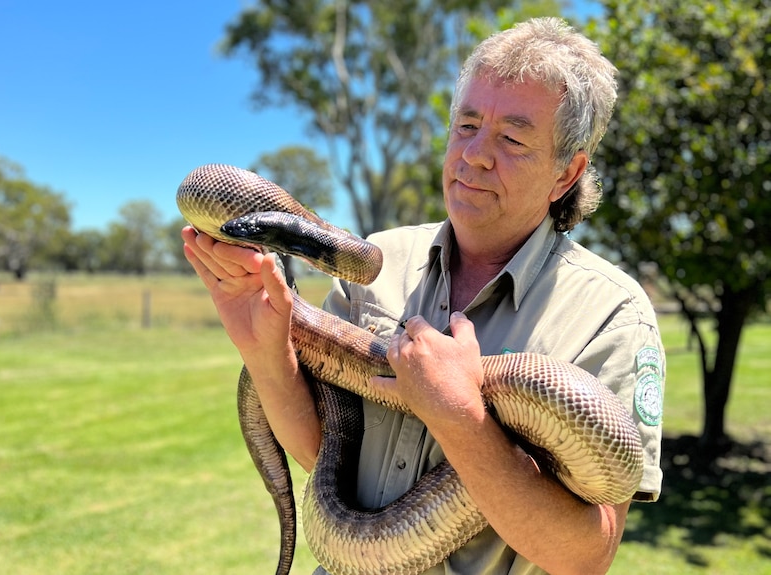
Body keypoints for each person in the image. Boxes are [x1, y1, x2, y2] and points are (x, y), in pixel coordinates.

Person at [182, 17, 664, 575]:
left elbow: (586, 555)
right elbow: (326, 452)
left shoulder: (612, 315)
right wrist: (267, 353)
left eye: (511, 137)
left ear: (566, 173)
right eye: (466, 125)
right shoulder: (379, 263)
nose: (475, 155)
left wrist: (460, 413)